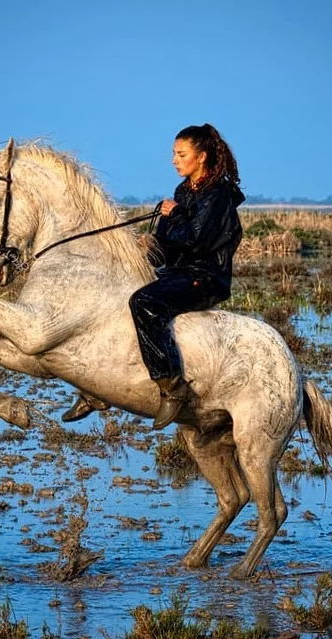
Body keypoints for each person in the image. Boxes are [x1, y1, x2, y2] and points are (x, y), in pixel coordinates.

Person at [62, 123, 245, 429]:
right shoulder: (184, 191)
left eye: (181, 154)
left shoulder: (219, 195)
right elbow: (169, 241)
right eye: (173, 153)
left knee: (144, 301)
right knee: (119, 296)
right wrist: (148, 246)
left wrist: (173, 216)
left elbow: (195, 240)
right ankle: (96, 389)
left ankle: (173, 387)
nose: (174, 160)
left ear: (201, 157)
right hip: (179, 271)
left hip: (206, 277)